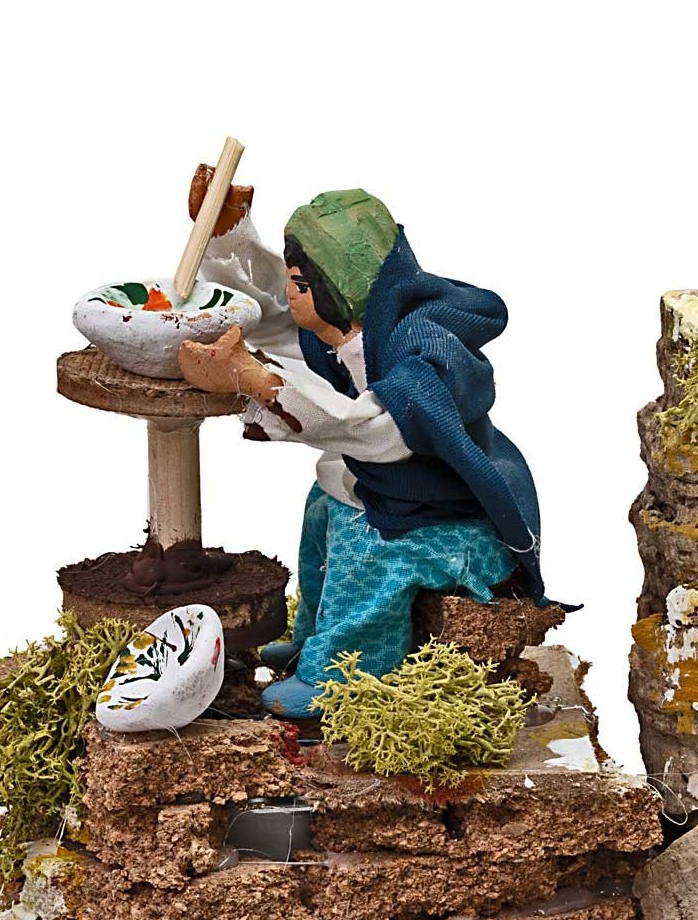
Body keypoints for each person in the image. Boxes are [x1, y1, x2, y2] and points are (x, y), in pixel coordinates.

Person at [178, 169, 564, 718]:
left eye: (300, 284)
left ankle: (342, 675)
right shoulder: (349, 331)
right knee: (322, 512)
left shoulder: (425, 349)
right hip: (391, 489)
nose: (290, 295)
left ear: (337, 289)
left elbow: (383, 431)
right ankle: (314, 635)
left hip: (447, 517)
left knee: (370, 552)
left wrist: (258, 381)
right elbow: (276, 321)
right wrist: (227, 238)